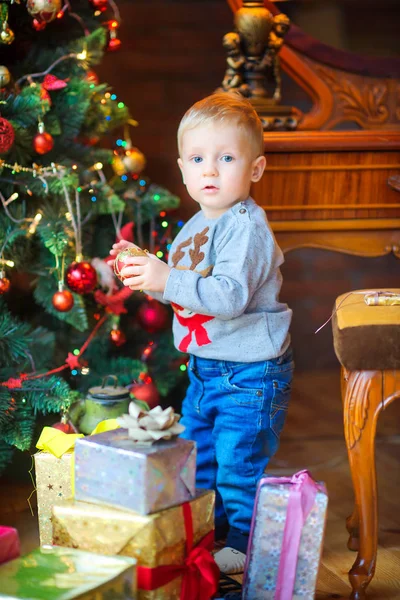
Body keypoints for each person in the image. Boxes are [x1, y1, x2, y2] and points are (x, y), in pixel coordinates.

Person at [109, 91, 294, 575]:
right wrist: (147, 270)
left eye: (226, 158)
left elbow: (228, 296)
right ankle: (209, 538)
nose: (210, 171)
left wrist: (166, 277)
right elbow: (186, 294)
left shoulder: (246, 227)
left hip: (250, 373)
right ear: (183, 168)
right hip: (206, 369)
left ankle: (246, 545)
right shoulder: (195, 225)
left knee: (238, 466)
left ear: (254, 169)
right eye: (198, 159)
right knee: (201, 458)